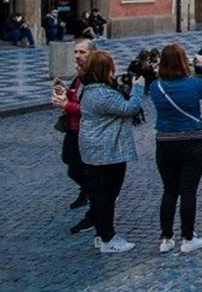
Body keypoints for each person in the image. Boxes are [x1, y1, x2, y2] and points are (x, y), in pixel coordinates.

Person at [148, 43, 202, 254]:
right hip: (193, 142)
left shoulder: (156, 87)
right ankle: (188, 238)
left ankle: (166, 238)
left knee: (169, 190)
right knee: (188, 190)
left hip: (165, 143)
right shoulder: (192, 85)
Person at [78, 51, 144, 253]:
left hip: (92, 148)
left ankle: (101, 234)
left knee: (99, 194)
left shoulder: (88, 89)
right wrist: (138, 89)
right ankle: (108, 237)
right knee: (108, 195)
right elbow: (129, 108)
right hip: (108, 151)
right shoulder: (102, 94)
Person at [51, 39, 97, 235]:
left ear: (92, 54)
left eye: (82, 52)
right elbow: (76, 96)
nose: (77, 56)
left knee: (86, 173)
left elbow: (90, 109)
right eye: (76, 52)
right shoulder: (80, 76)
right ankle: (89, 193)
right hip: (73, 128)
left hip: (86, 131)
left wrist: (65, 105)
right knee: (72, 167)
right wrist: (66, 93)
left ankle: (95, 212)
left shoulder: (95, 77)